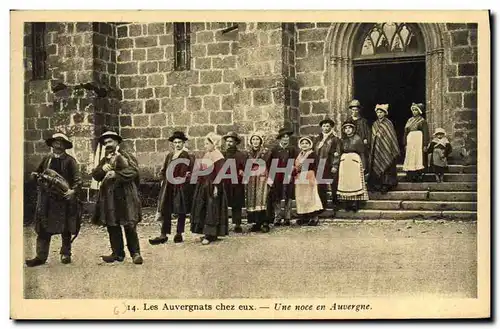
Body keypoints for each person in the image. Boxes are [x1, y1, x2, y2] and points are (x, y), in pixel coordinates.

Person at [25, 133, 82, 267]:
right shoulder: (47, 159)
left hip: (63, 199)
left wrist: (72, 191)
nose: (58, 145)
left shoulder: (70, 161)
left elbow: (77, 179)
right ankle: (40, 256)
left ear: (65, 146)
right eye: (56, 142)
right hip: (47, 200)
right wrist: (34, 176)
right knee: (44, 227)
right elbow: (38, 172)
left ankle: (65, 253)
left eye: (61, 142)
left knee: (66, 226)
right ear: (52, 144)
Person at [92, 131, 143, 265]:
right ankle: (118, 253)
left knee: (129, 224)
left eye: (110, 142)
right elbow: (96, 175)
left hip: (126, 195)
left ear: (117, 142)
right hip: (110, 197)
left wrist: (116, 174)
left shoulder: (126, 155)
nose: (107, 144)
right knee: (112, 224)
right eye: (105, 143)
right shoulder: (105, 159)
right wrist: (103, 169)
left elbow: (134, 171)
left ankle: (135, 253)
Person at [149, 131, 193, 245]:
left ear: (184, 143)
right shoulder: (170, 155)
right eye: (175, 142)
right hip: (168, 186)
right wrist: (163, 178)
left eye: (179, 142)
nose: (177, 144)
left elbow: (188, 172)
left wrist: (184, 180)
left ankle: (179, 233)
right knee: (166, 208)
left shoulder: (186, 155)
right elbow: (163, 169)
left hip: (180, 186)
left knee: (180, 209)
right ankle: (163, 234)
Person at [190, 132, 229, 245]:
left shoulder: (218, 156)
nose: (205, 146)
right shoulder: (207, 155)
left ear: (214, 144)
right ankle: (205, 233)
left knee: (212, 209)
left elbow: (220, 173)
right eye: (205, 143)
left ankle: (210, 234)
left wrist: (217, 187)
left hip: (213, 186)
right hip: (204, 186)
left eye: (207, 143)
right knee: (203, 208)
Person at [337, 121, 369, 212]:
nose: (348, 130)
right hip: (345, 162)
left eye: (349, 128)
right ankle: (347, 203)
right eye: (346, 128)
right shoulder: (342, 140)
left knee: (355, 181)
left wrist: (363, 164)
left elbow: (362, 152)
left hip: (354, 160)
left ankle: (355, 203)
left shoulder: (357, 139)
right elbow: (340, 151)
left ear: (353, 129)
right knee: (346, 182)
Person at [268, 127, 297, 226]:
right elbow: (270, 163)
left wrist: (293, 168)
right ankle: (278, 216)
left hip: (288, 174)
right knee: (277, 195)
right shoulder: (275, 149)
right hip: (277, 175)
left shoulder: (292, 149)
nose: (286, 139)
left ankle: (288, 216)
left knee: (288, 195)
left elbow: (295, 161)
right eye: (283, 137)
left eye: (287, 137)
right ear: (280, 138)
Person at [368, 104, 400, 194]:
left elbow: (391, 137)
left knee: (387, 167)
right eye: (377, 112)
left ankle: (386, 185)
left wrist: (387, 146)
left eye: (381, 112)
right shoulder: (375, 124)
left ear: (385, 113)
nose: (379, 114)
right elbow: (373, 136)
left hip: (386, 150)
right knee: (376, 166)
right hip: (376, 149)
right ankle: (377, 185)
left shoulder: (388, 123)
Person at [294, 136, 324, 226]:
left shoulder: (312, 154)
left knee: (310, 197)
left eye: (306, 143)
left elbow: (313, 165)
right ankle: (304, 217)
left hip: (309, 175)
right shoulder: (299, 155)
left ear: (310, 145)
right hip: (300, 177)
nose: (304, 145)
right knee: (301, 197)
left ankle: (314, 217)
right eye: (302, 143)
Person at [245, 131, 272, 233]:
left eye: (257, 139)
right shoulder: (247, 153)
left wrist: (270, 178)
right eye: (253, 140)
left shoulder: (266, 152)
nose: (255, 142)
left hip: (263, 177)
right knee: (254, 200)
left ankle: (265, 223)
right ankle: (256, 223)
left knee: (263, 199)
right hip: (252, 179)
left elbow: (270, 165)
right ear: (251, 141)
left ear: (260, 141)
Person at [313, 117, 341, 213]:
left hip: (330, 163)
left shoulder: (335, 139)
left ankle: (335, 204)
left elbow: (337, 152)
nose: (325, 128)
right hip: (320, 164)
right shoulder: (317, 138)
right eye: (324, 126)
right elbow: (313, 151)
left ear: (331, 127)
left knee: (333, 184)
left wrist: (335, 165)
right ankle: (322, 205)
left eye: (327, 126)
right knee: (321, 185)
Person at [222, 131, 247, 234]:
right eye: (227, 141)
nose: (229, 143)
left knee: (237, 204)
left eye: (231, 141)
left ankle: (237, 224)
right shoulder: (222, 154)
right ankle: (223, 224)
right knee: (223, 203)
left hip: (237, 183)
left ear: (236, 142)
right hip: (225, 182)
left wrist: (243, 172)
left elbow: (245, 168)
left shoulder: (241, 155)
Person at [402, 103, 430, 182]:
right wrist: (405, 143)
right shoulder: (409, 120)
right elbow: (405, 132)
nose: (414, 112)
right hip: (410, 140)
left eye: (416, 110)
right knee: (411, 157)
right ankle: (411, 175)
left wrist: (425, 144)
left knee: (418, 157)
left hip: (418, 140)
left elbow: (425, 133)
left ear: (419, 111)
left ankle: (419, 175)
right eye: (413, 110)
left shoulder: (422, 121)